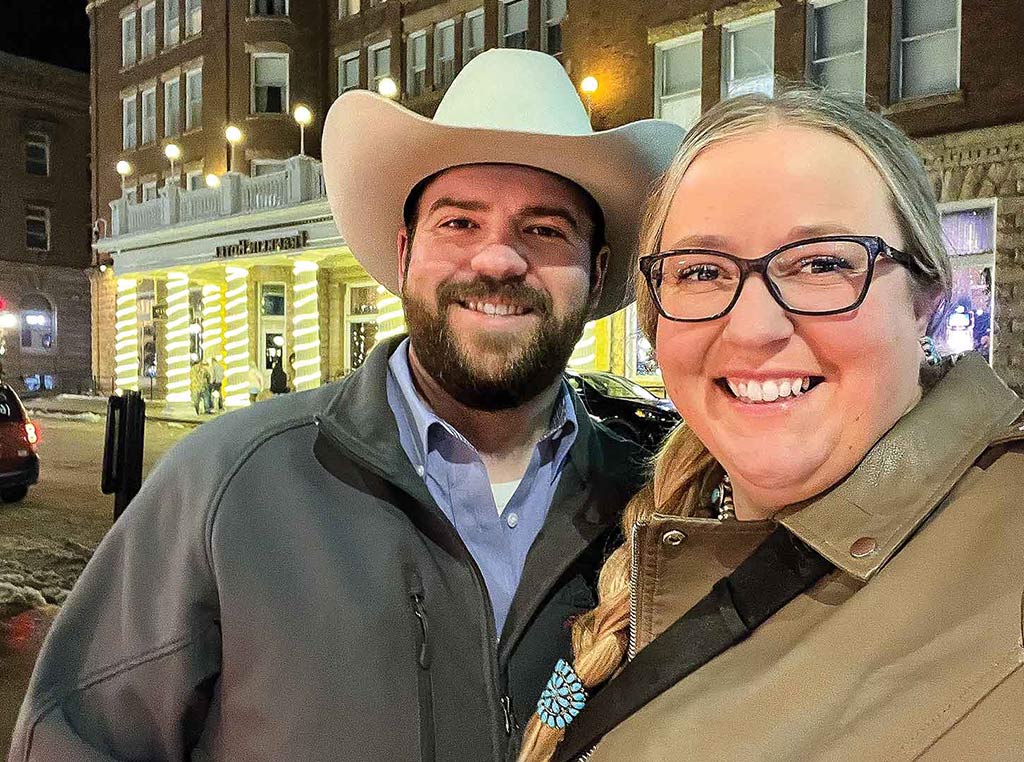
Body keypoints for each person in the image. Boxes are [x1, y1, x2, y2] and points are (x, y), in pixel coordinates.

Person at [10, 50, 682, 760]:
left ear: (599, 270)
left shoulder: (659, 507)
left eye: (545, 230)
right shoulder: (227, 484)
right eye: (458, 223)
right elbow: (74, 740)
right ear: (403, 254)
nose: (498, 260)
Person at [520, 87, 1024, 762]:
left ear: (925, 301)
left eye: (821, 263)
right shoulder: (648, 541)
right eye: (701, 271)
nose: (755, 328)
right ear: (656, 321)